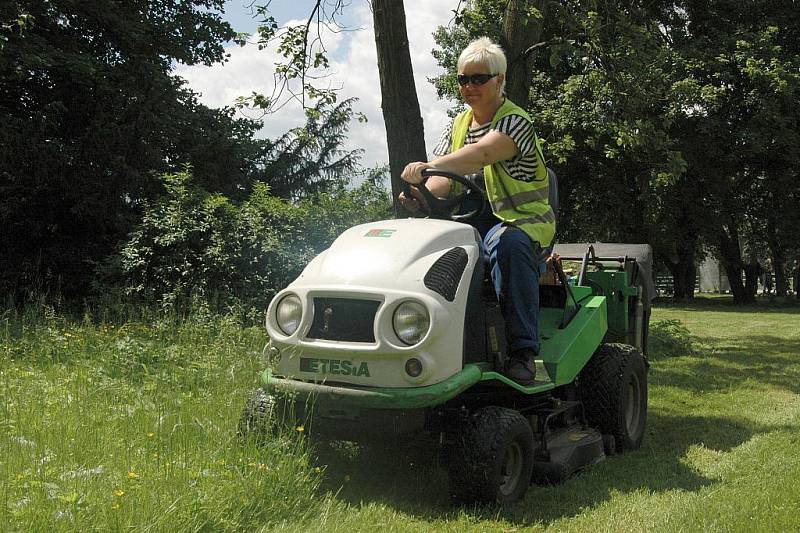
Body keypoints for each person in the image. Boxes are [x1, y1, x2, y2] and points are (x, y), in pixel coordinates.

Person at [399, 37, 555, 386]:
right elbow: (442, 181)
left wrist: (428, 166)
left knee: (508, 246)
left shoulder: (515, 122)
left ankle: (522, 352)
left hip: (519, 225)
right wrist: (421, 194)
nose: (469, 87)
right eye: (463, 80)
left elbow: (483, 154)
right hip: (469, 222)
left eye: (478, 79)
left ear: (499, 80)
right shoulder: (457, 126)